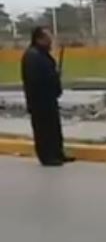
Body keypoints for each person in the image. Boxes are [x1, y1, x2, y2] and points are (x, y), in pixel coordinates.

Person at [21, 27, 72, 166]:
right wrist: (52, 78)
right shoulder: (32, 55)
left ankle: (58, 153)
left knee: (54, 128)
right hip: (39, 101)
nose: (51, 40)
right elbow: (36, 80)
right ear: (39, 39)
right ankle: (47, 157)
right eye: (47, 38)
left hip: (49, 99)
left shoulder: (43, 54)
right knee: (43, 130)